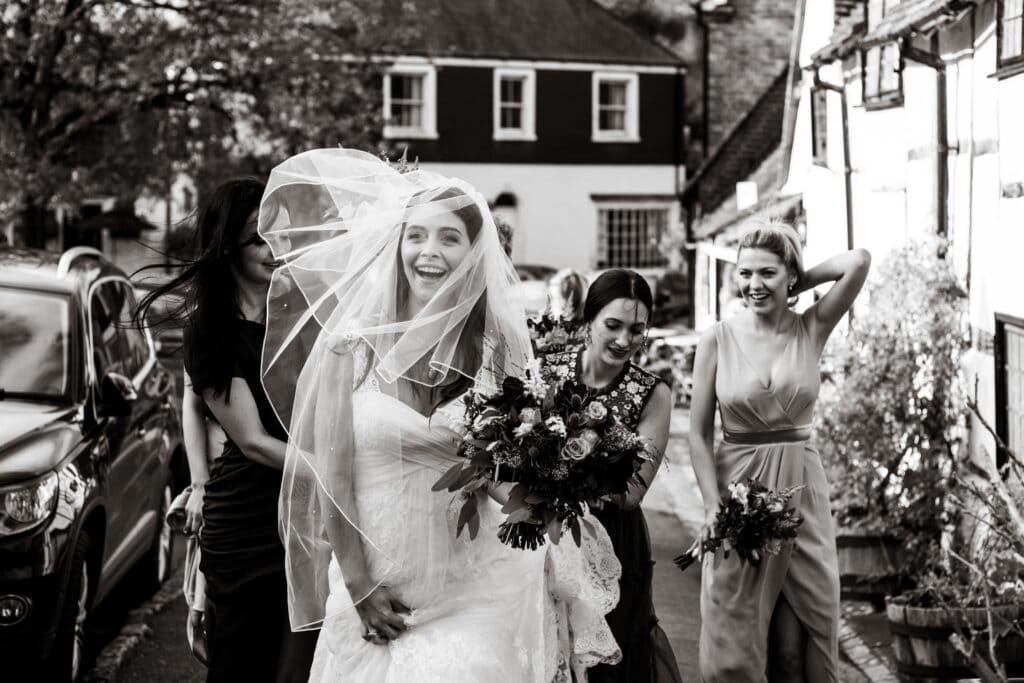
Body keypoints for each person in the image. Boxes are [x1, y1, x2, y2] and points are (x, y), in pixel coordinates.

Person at [259, 148, 620, 682]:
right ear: (397, 243)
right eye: (417, 235)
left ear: (474, 253)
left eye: (449, 237)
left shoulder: (496, 349)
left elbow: (499, 476)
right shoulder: (350, 348)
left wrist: (550, 488)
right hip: (373, 578)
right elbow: (331, 478)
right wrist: (359, 586)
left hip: (475, 584)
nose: (430, 252)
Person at [135, 178, 317, 683]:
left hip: (308, 512)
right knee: (243, 664)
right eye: (257, 237)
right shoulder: (209, 330)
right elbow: (255, 442)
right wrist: (336, 471)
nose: (272, 246)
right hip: (249, 522)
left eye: (277, 232)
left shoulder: (300, 312)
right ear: (228, 247)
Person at [689, 221, 870, 682]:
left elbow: (858, 261)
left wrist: (793, 283)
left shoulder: (811, 327)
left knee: (797, 641)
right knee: (736, 633)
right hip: (739, 497)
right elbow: (697, 434)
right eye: (745, 274)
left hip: (802, 493)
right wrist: (713, 504)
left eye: (766, 273)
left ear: (790, 274)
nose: (753, 285)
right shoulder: (716, 339)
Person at [541, 269, 683, 683]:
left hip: (614, 542)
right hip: (546, 535)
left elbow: (634, 489)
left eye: (637, 329)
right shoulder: (547, 372)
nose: (625, 340)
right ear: (589, 321)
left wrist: (564, 472)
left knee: (611, 663)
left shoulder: (653, 393)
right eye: (613, 325)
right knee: (549, 649)